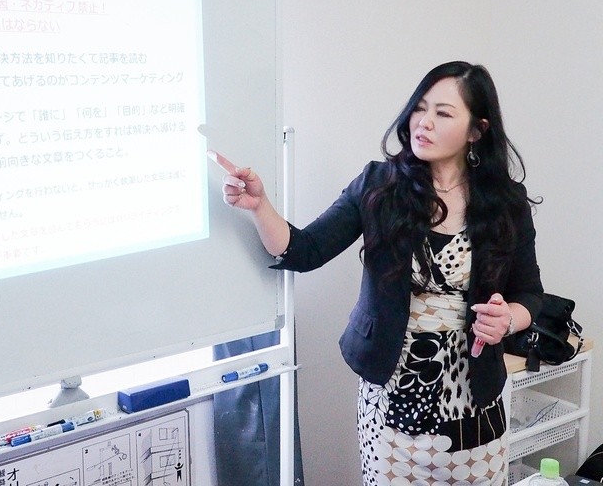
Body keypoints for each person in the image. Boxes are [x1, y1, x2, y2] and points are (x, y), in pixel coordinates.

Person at [211, 61, 543, 486]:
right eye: (420, 107)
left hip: (474, 407)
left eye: (443, 113)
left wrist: (509, 319)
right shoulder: (379, 185)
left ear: (476, 131)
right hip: (390, 408)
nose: (423, 122)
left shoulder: (505, 203)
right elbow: (305, 249)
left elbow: (530, 294)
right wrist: (260, 206)